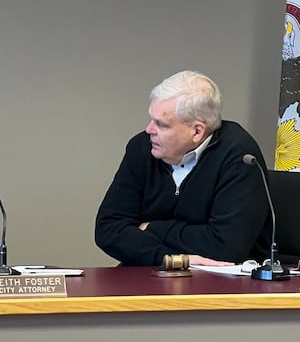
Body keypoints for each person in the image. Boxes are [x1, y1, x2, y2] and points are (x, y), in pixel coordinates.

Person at [95, 70, 271, 267]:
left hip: (220, 281)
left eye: (162, 125)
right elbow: (108, 230)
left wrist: (153, 228)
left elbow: (226, 246)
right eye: (151, 119)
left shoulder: (239, 155)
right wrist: (172, 260)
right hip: (150, 269)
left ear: (197, 131)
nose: (149, 130)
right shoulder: (141, 148)